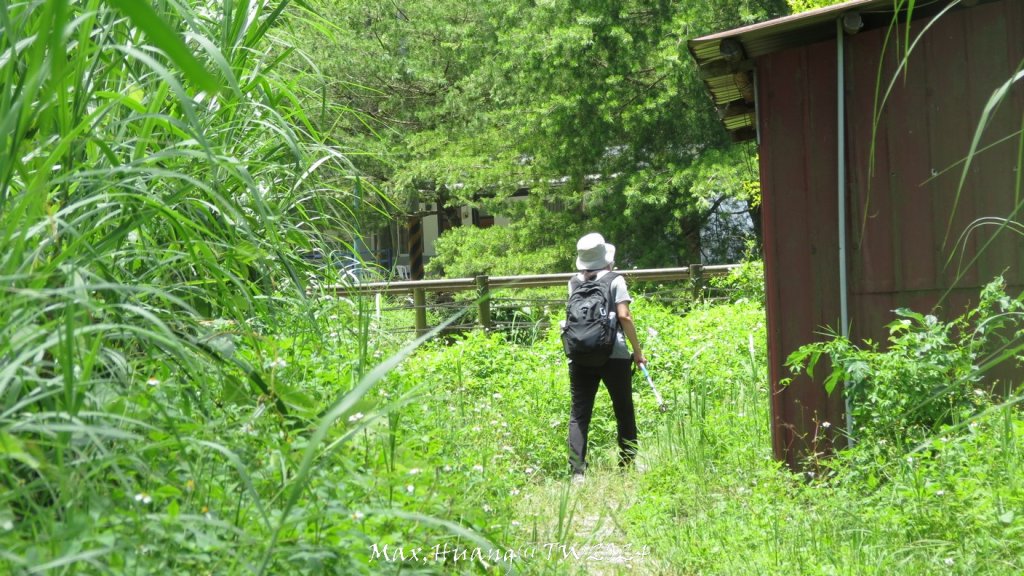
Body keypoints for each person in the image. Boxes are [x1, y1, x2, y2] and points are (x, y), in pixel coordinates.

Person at [566, 232, 647, 480]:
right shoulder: (615, 280)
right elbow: (624, 316)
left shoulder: (573, 282)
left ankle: (577, 472)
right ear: (606, 257)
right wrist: (638, 351)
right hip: (615, 354)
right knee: (623, 409)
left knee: (580, 413)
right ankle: (626, 465)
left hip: (580, 354)